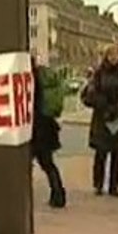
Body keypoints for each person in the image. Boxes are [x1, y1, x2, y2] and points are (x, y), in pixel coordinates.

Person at [83, 44, 118, 197]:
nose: (114, 57)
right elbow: (91, 94)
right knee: (101, 153)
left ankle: (114, 185)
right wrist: (104, 105)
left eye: (116, 54)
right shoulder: (98, 74)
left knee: (117, 154)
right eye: (111, 55)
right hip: (101, 118)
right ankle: (98, 184)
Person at [33, 58, 67, 208]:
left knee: (23, 163)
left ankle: (21, 195)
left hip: (34, 125)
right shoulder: (44, 76)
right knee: (48, 163)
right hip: (47, 125)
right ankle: (58, 194)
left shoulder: (31, 78)